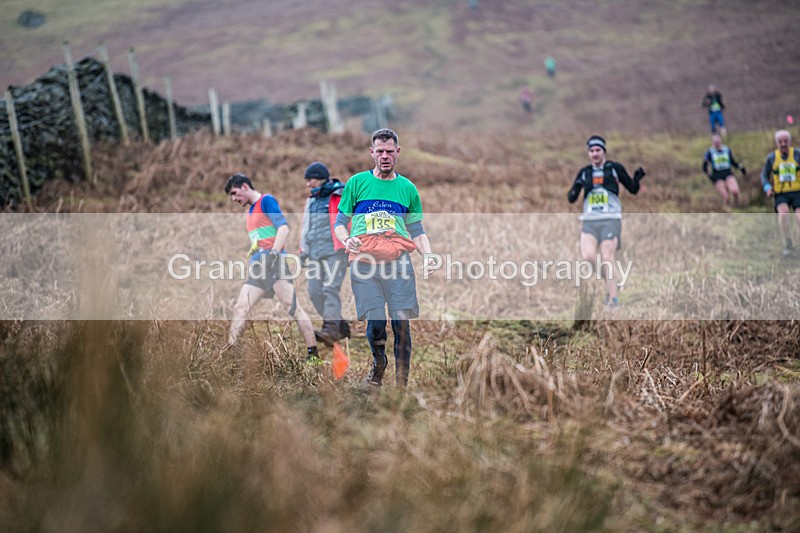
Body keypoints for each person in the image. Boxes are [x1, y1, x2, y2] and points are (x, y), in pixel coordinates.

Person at [333, 128, 436, 388]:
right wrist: (347, 240)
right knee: (376, 321)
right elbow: (340, 223)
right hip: (364, 262)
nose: (385, 156)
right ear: (372, 153)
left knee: (401, 325)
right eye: (380, 151)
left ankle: (402, 387)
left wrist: (429, 255)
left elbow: (417, 230)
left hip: (398, 263)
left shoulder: (408, 188)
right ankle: (379, 364)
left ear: (398, 152)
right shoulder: (357, 183)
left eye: (390, 151)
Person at [224, 173, 318, 361]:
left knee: (293, 308)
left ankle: (313, 355)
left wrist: (273, 255)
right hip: (259, 267)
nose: (234, 199)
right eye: (231, 196)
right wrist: (253, 253)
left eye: (235, 193)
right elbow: (261, 239)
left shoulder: (266, 201)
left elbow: (283, 228)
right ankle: (231, 354)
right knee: (240, 307)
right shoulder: (250, 212)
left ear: (244, 186)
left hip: (275, 265)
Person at [567, 135, 645, 308]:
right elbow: (572, 197)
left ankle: (613, 300)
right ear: (588, 153)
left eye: (598, 150)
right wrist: (575, 190)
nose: (595, 154)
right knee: (588, 256)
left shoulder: (614, 168)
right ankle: (613, 282)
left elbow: (632, 189)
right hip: (589, 220)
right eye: (592, 151)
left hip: (610, 219)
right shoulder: (585, 172)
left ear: (603, 152)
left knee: (606, 257)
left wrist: (638, 179)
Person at [299, 161, 351, 346]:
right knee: (314, 292)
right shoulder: (311, 201)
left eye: (310, 179)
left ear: (321, 178)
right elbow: (306, 227)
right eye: (306, 180)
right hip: (314, 253)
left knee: (330, 288)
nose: (308, 184)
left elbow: (351, 219)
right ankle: (340, 326)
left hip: (335, 252)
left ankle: (330, 330)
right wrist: (303, 250)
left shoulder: (340, 195)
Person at [760, 130, 800, 256]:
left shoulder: (798, 154)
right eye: (780, 142)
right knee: (783, 215)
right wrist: (767, 187)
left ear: (790, 141)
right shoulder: (771, 157)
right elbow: (764, 175)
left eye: (785, 141)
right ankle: (788, 242)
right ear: (776, 143)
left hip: (798, 192)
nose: (783, 144)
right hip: (781, 193)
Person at [702, 134, 746, 207]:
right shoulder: (709, 152)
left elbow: (733, 162)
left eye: (718, 142)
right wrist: (710, 175)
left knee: (735, 191)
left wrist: (741, 167)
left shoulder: (726, 149)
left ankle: (738, 207)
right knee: (726, 196)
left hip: (728, 173)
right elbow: (704, 167)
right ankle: (726, 212)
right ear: (712, 143)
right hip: (717, 175)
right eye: (715, 143)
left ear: (721, 141)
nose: (717, 144)